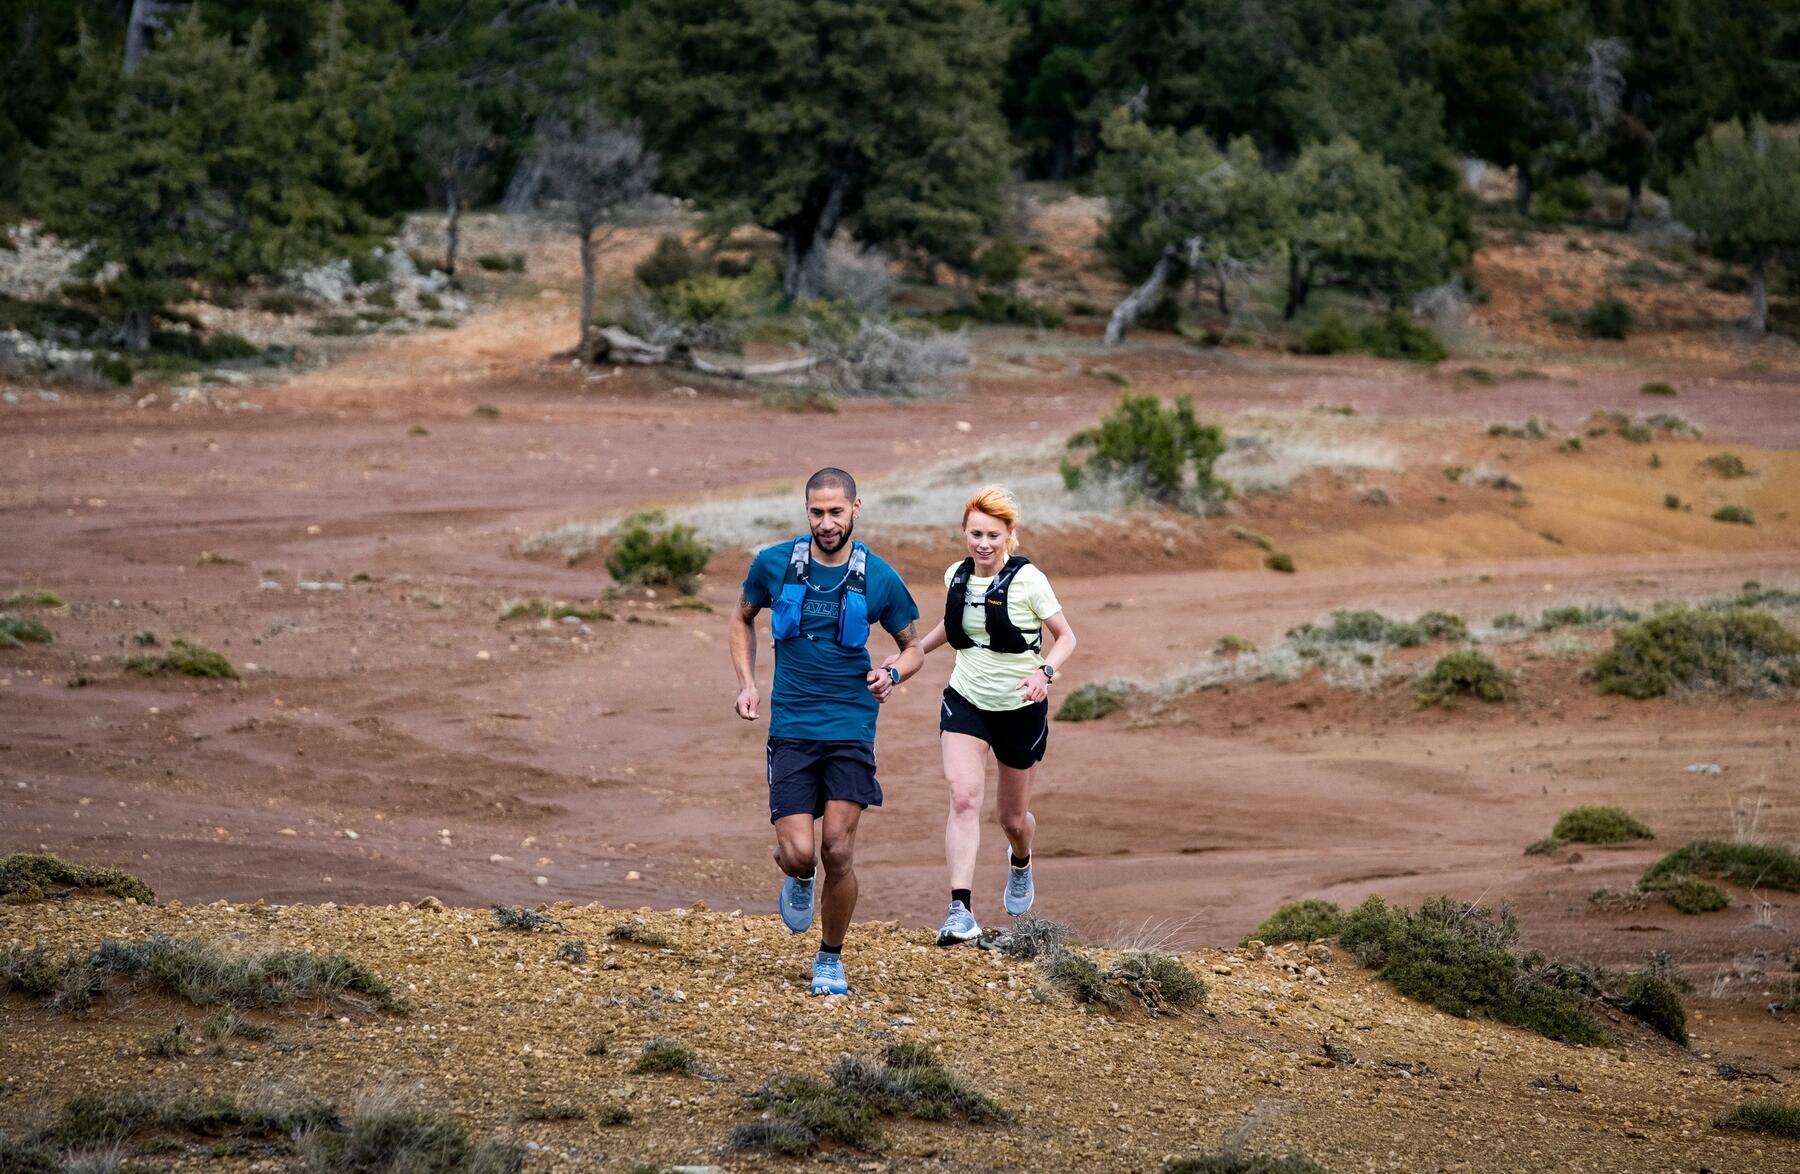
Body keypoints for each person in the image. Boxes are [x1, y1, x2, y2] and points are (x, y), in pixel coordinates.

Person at [729, 467, 922, 995]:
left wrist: (892, 674)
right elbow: (741, 617)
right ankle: (797, 875)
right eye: (817, 512)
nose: (826, 522)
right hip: (791, 726)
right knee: (799, 853)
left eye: (836, 512)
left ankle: (830, 958)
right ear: (806, 510)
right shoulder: (773, 565)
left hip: (850, 727)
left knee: (837, 850)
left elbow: (913, 647)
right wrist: (748, 683)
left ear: (855, 509)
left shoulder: (879, 576)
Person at [889, 485, 1077, 945]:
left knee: (1011, 819)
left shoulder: (1030, 580)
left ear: (1009, 535)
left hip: (1020, 709)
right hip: (967, 701)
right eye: (976, 534)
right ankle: (960, 910)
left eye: (993, 535)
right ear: (964, 533)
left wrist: (1045, 674)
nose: (983, 544)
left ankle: (1021, 860)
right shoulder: (956, 575)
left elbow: (1067, 636)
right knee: (964, 797)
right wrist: (902, 661)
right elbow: (951, 628)